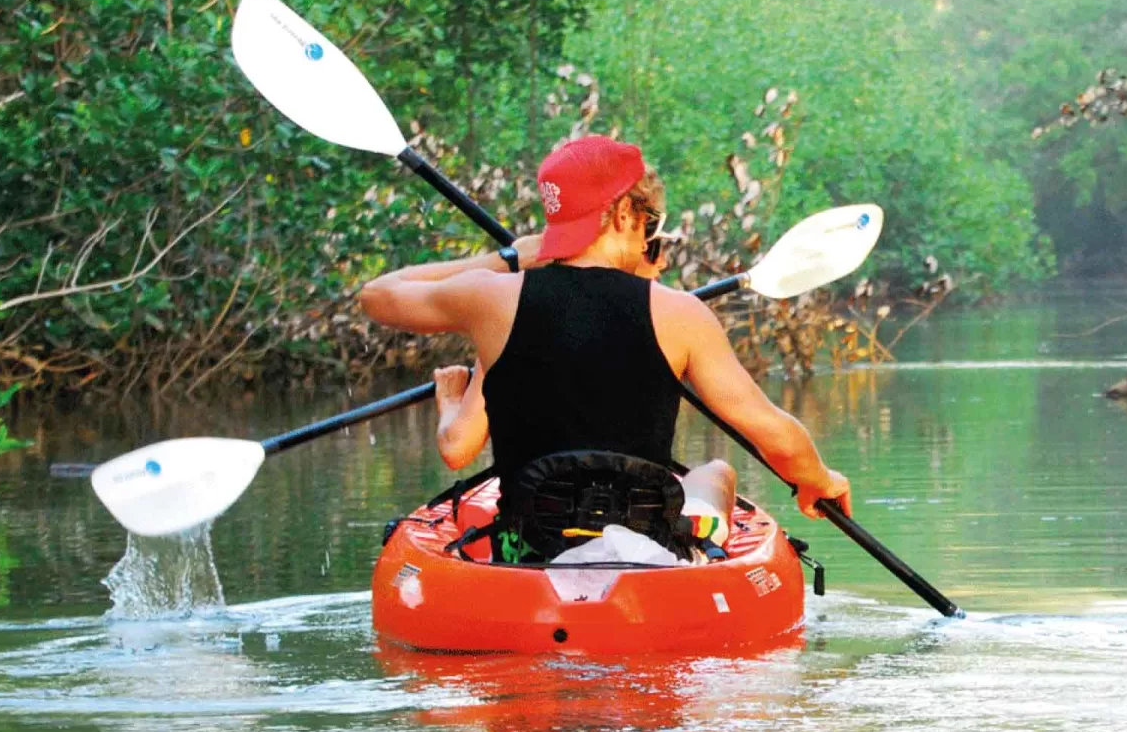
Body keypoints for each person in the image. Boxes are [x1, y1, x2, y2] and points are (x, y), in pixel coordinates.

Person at [358, 134, 851, 545]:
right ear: (623, 215)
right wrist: (820, 480)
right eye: (650, 223)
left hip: (529, 544)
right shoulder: (681, 314)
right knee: (716, 473)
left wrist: (506, 258)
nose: (648, 238)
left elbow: (379, 295)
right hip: (648, 548)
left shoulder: (489, 299)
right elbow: (773, 432)